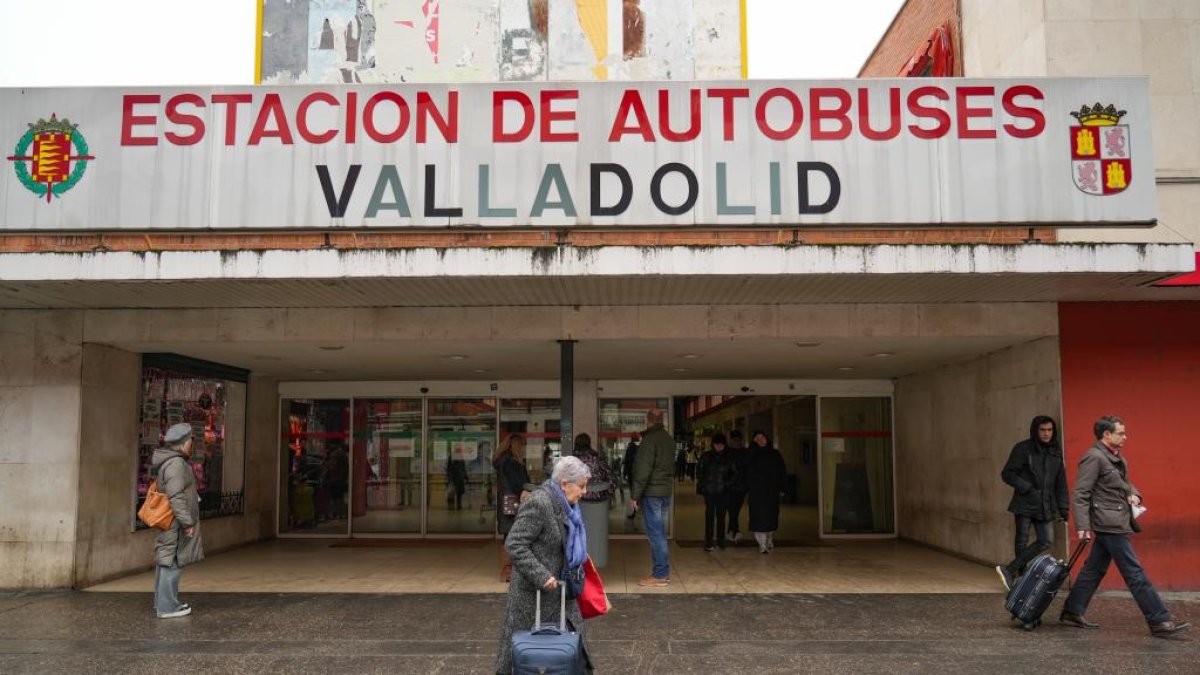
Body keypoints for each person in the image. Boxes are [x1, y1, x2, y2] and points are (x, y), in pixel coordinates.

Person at [1059, 416, 1190, 637]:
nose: (1125, 436)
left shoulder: (1114, 457)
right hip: (1109, 523)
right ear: (1106, 435)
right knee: (1134, 572)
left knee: (1094, 569)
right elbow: (1081, 493)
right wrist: (1082, 525)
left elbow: (1124, 483)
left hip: (1116, 519)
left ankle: (1072, 611)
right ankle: (1160, 620)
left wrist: (1134, 494)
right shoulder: (1093, 458)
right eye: (1120, 433)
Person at [495, 456, 594, 674]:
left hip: (561, 594)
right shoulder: (539, 502)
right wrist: (541, 575)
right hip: (534, 597)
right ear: (565, 484)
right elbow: (514, 543)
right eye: (582, 486)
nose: (585, 492)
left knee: (574, 658)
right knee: (525, 660)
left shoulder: (566, 505)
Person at [994, 415, 1069, 590]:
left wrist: (1064, 507)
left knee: (1046, 540)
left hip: (1046, 505)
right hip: (1025, 502)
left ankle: (1009, 570)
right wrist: (1027, 488)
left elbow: (1061, 483)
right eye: (1042, 430)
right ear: (1036, 430)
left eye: (1049, 430)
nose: (1046, 434)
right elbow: (1008, 474)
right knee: (1021, 541)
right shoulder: (1022, 448)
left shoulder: (1055, 451)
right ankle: (1020, 578)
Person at [152, 422, 205, 619]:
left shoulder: (172, 462)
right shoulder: (176, 464)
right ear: (183, 443)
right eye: (190, 440)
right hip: (174, 523)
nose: (191, 443)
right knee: (172, 561)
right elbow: (176, 496)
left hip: (171, 521)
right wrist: (187, 523)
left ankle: (163, 603)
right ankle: (168, 607)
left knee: (167, 559)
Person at [630, 408, 675, 587]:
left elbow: (643, 470)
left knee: (656, 535)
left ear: (648, 421)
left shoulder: (649, 441)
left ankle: (660, 574)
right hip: (664, 492)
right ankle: (662, 572)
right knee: (660, 534)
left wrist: (635, 495)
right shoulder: (669, 440)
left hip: (652, 494)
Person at [494, 434, 532, 582]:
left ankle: (507, 571)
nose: (523, 449)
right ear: (515, 446)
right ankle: (510, 571)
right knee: (513, 536)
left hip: (505, 503)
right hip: (513, 504)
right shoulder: (511, 462)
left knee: (508, 536)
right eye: (521, 446)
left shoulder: (502, 461)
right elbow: (520, 484)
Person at [745, 430, 787, 554]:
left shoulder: (775, 454)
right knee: (759, 518)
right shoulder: (751, 455)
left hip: (771, 491)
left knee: (771, 516)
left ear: (766, 439)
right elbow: (745, 471)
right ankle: (761, 543)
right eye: (757, 439)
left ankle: (769, 539)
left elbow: (782, 472)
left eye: (762, 437)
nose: (760, 440)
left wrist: (783, 487)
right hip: (757, 492)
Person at [696, 433, 738, 552]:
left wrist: (727, 484)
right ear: (713, 444)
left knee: (721, 516)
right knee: (709, 517)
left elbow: (734, 473)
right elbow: (699, 471)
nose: (719, 447)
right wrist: (704, 484)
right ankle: (709, 542)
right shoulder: (706, 456)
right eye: (717, 444)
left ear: (724, 445)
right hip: (709, 491)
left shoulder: (729, 458)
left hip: (723, 492)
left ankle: (721, 541)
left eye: (721, 444)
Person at [572, 433, 615, 503]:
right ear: (589, 443)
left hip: (578, 498)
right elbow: (611, 476)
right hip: (597, 496)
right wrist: (608, 493)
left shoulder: (571, 460)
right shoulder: (596, 458)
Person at [726, 429, 750, 544]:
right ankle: (734, 530)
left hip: (741, 487)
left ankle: (732, 530)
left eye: (739, 440)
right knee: (732, 509)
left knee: (735, 509)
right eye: (735, 440)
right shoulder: (727, 453)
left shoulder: (745, 453)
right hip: (730, 487)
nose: (737, 442)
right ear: (730, 441)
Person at [621, 435, 640, 511]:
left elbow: (627, 462)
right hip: (638, 473)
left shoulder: (630, 448)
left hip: (631, 473)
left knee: (633, 492)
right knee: (637, 490)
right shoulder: (639, 448)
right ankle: (637, 507)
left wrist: (624, 473)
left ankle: (634, 510)